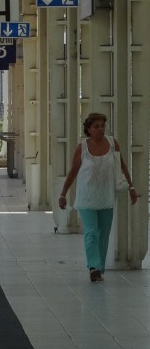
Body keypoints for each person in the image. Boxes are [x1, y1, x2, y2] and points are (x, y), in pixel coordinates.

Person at [58, 112, 139, 281]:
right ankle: (93, 267)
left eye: (103, 126)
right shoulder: (82, 148)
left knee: (103, 234)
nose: (101, 129)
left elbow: (122, 165)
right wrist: (63, 194)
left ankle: (99, 266)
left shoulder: (112, 143)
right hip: (87, 197)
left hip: (107, 196)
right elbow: (73, 172)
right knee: (91, 232)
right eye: (96, 126)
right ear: (88, 129)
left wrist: (131, 187)